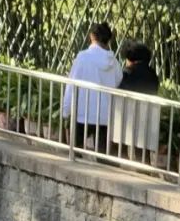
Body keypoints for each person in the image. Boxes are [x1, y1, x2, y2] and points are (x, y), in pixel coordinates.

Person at [62, 22, 122, 153]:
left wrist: (66, 110)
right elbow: (118, 82)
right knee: (103, 155)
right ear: (109, 40)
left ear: (92, 36)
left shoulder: (83, 58)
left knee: (75, 152)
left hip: (82, 113)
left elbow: (71, 84)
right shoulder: (115, 63)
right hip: (105, 115)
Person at [110, 40, 160, 164]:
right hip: (147, 114)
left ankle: (116, 161)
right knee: (142, 148)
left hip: (127, 115)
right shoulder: (152, 74)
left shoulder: (128, 73)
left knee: (118, 141)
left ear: (131, 58)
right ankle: (144, 166)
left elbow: (120, 88)